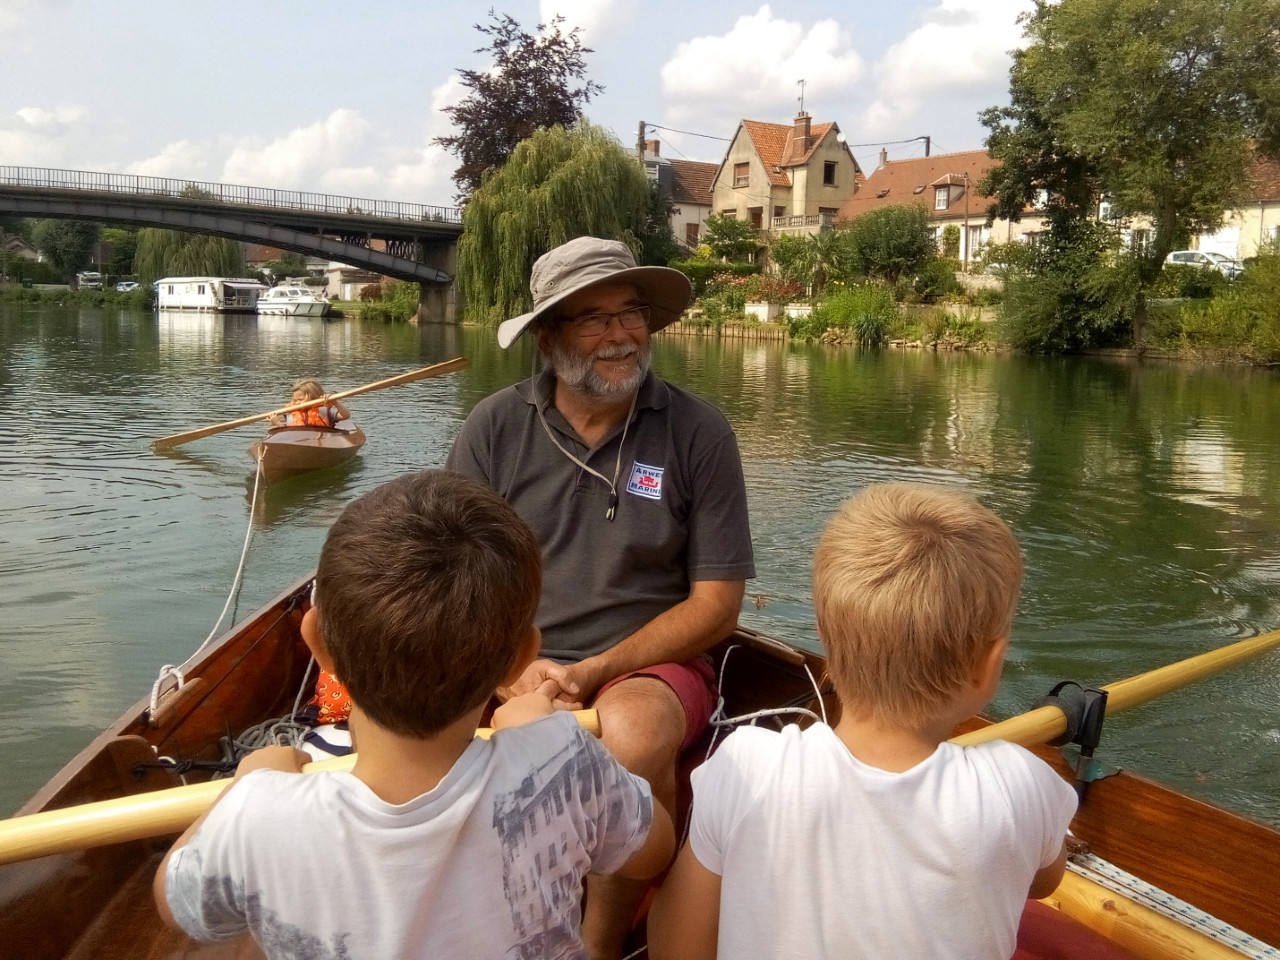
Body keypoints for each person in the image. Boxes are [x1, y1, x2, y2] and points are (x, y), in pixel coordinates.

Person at [152, 470, 674, 960]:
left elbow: (176, 904)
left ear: (318, 646)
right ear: (522, 657)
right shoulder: (562, 762)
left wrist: (249, 780)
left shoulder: (259, 814)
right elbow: (654, 851)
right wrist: (536, 726)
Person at [446, 236, 755, 957]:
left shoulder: (698, 433)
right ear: (548, 337)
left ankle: (599, 941)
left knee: (633, 733)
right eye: (594, 319)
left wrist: (587, 674)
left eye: (631, 313)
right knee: (410, 718)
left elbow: (717, 607)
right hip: (510, 654)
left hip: (648, 663)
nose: (621, 335)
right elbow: (454, 577)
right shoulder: (494, 427)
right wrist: (506, 673)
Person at [648, 483, 1078, 960]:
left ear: (826, 638)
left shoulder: (747, 766)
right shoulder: (1019, 784)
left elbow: (675, 946)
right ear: (988, 664)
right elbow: (1045, 880)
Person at [268, 378, 350, 427]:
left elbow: (345, 415)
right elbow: (289, 433)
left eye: (300, 400)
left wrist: (334, 402)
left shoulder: (323, 411)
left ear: (314, 398)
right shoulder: (291, 413)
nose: (296, 403)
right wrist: (278, 424)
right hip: (297, 442)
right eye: (295, 400)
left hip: (321, 441)